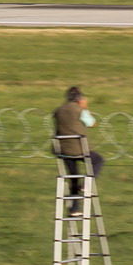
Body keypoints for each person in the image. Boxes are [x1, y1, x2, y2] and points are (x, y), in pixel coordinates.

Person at [53, 86, 105, 214]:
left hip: (63, 150)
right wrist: (85, 106)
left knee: (73, 177)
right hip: (80, 149)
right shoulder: (79, 109)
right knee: (98, 160)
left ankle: (74, 208)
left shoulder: (58, 110)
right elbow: (92, 123)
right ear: (79, 98)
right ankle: (88, 183)